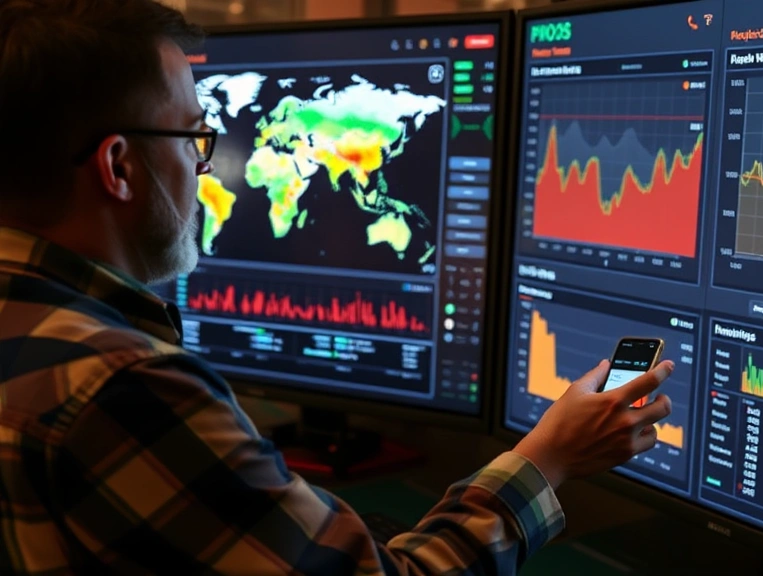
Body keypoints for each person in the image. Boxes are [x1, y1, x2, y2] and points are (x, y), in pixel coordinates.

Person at [0, 1, 674, 574]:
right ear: (118, 166)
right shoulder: (122, 389)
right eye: (192, 137)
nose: (203, 171)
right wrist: (548, 458)